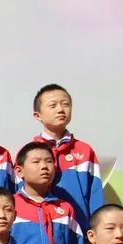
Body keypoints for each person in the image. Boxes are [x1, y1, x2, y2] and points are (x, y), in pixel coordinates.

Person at [30, 83, 104, 231]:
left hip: (81, 230)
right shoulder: (29, 152)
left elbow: (95, 195)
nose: (60, 109)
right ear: (38, 115)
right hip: (41, 231)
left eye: (66, 104)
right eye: (53, 105)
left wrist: (96, 232)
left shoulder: (84, 150)